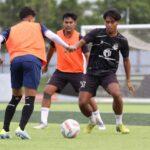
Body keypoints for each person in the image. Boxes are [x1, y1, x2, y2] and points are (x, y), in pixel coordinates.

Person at [0, 7, 74, 140]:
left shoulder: (12, 29)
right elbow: (52, 36)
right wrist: (66, 46)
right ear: (30, 17)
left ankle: (4, 130)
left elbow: (0, 38)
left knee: (15, 97)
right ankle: (21, 129)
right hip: (32, 60)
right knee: (30, 99)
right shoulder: (38, 26)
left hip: (15, 61)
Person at [34, 12, 105, 131]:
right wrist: (45, 64)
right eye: (66, 22)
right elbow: (51, 49)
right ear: (63, 23)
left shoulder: (80, 38)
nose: (68, 25)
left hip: (77, 73)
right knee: (47, 92)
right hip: (60, 72)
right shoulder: (57, 35)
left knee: (88, 96)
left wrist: (90, 70)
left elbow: (87, 55)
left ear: (75, 24)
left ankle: (99, 120)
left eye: (71, 22)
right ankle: (43, 122)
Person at [70, 8, 135, 134]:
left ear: (117, 23)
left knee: (117, 94)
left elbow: (126, 60)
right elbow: (83, 41)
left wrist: (128, 80)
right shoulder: (96, 33)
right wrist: (74, 47)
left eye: (112, 22)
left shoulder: (122, 40)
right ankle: (92, 120)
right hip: (91, 73)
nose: (109, 24)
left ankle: (119, 124)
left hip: (108, 74)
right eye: (107, 22)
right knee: (82, 102)